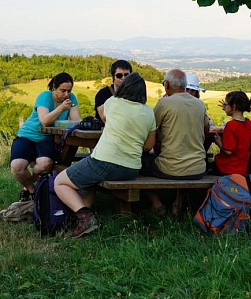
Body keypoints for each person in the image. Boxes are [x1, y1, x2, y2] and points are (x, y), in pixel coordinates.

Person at [54, 72, 156, 238]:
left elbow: (101, 114)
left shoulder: (113, 102)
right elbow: (149, 145)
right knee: (88, 181)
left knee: (60, 182)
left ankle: (85, 217)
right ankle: (80, 216)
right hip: (131, 169)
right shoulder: (149, 112)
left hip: (104, 161)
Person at [143, 69, 207, 216]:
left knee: (137, 164)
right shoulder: (199, 105)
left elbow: (149, 128)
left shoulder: (164, 103)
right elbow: (206, 129)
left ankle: (156, 204)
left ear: (167, 85)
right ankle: (177, 203)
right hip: (198, 168)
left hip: (170, 168)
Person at [10, 72, 81, 201]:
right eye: (62, 90)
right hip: (28, 135)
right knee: (17, 167)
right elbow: (44, 121)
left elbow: (76, 120)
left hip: (47, 138)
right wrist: (61, 109)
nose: (66, 94)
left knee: (45, 164)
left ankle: (28, 189)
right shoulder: (44, 96)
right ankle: (32, 190)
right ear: (54, 88)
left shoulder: (72, 98)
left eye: (69, 91)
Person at [208, 91, 251, 175]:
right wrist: (227, 107)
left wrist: (218, 142)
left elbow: (228, 151)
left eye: (225, 105)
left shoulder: (231, 125)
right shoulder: (248, 123)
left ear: (233, 106)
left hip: (228, 167)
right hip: (242, 168)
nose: (224, 107)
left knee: (207, 167)